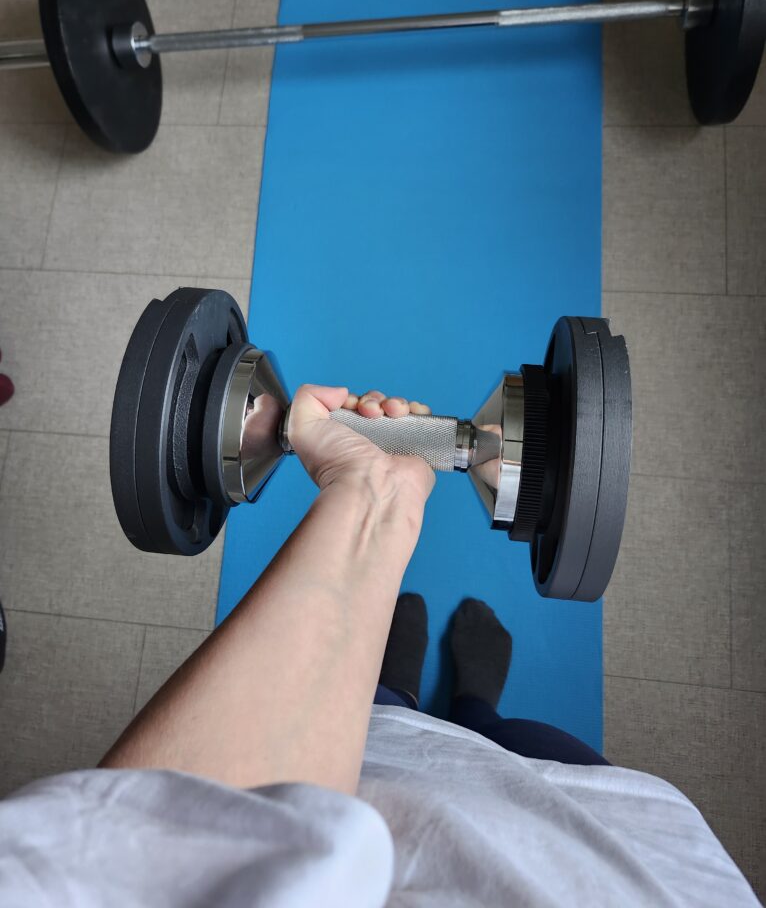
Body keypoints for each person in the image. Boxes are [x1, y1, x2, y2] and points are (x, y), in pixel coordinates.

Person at [0, 385, 758, 905]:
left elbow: (168, 851)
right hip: (613, 870)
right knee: (526, 753)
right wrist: (376, 495)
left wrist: (371, 491)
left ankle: (394, 688)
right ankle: (472, 702)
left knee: (386, 725)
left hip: (352, 787)